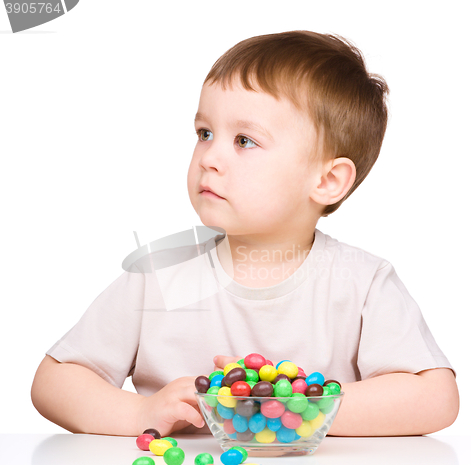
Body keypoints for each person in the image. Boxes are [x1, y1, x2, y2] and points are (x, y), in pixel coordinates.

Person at [31, 30, 459, 438]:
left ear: (327, 181)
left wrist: (300, 405)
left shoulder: (361, 282)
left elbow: (435, 398)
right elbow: (54, 382)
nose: (210, 157)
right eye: (204, 133)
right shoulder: (160, 274)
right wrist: (140, 412)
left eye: (244, 140)